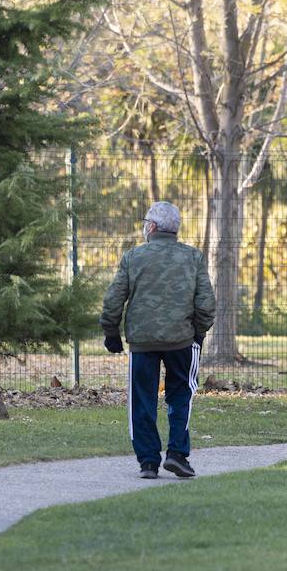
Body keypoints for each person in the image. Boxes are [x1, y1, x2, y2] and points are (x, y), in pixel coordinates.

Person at [101, 201, 216, 479]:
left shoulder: (133, 257)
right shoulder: (193, 257)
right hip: (181, 341)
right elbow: (206, 303)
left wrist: (111, 332)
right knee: (181, 396)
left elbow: (114, 298)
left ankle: (148, 462)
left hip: (142, 342)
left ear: (151, 227)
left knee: (142, 400)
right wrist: (198, 332)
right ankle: (177, 454)